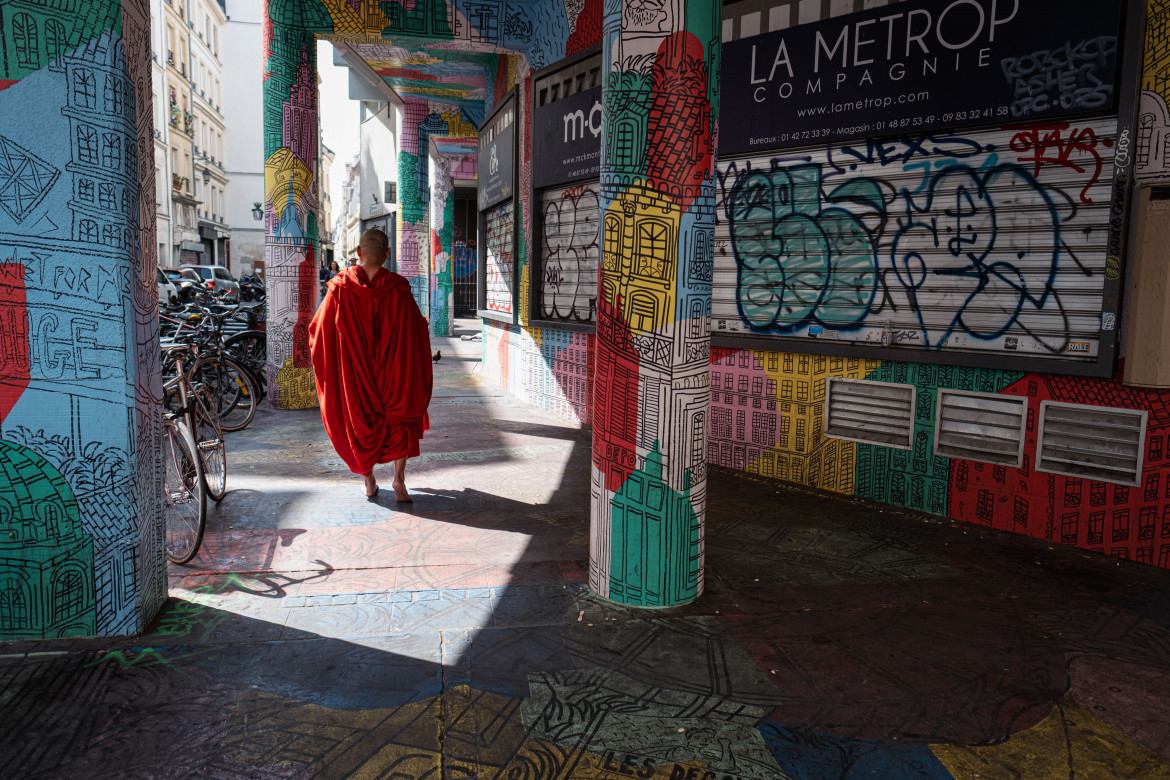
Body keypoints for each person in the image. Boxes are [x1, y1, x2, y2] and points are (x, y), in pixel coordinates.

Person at [309, 228, 433, 501]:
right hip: (393, 372)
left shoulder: (341, 288)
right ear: (387, 255)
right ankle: (399, 481)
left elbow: (318, 330)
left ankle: (369, 482)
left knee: (360, 422)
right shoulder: (398, 288)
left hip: (357, 375)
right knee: (402, 418)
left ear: (358, 252)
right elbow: (416, 330)